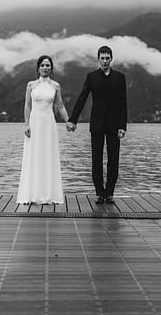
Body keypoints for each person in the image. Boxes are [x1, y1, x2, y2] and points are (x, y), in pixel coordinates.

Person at [66, 45, 128, 205]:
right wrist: (73, 119)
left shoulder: (120, 77)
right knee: (96, 159)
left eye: (108, 58)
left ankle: (110, 193)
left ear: (111, 59)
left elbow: (123, 103)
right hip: (97, 123)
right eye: (102, 58)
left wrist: (123, 126)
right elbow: (82, 98)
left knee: (113, 160)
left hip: (115, 125)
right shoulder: (92, 76)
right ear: (98, 59)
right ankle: (100, 193)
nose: (105, 61)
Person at [16, 55, 70, 204]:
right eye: (43, 65)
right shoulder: (31, 85)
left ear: (51, 68)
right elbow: (27, 106)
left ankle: (49, 194)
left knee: (48, 156)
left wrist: (68, 121)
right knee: (34, 156)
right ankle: (32, 193)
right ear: (38, 68)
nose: (45, 68)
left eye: (48, 65)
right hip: (34, 123)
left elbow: (60, 106)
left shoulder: (55, 86)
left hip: (48, 124)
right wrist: (26, 124)